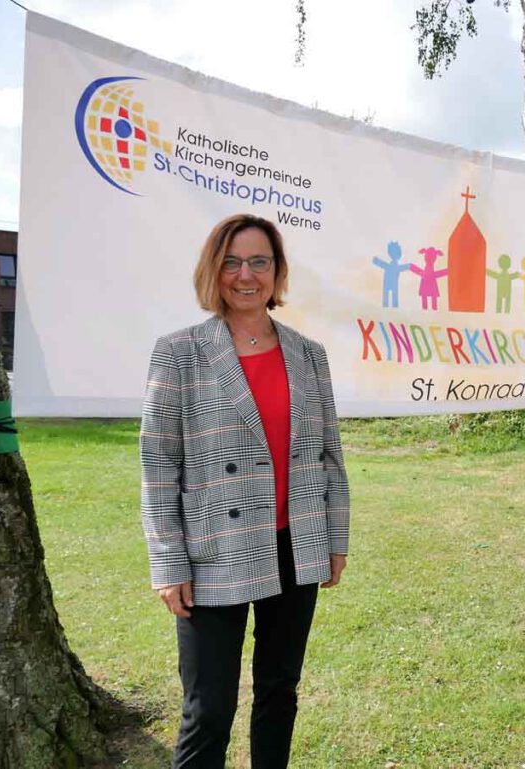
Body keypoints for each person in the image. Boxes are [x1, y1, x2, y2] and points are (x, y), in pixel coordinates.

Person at [140, 213, 350, 766]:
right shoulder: (179, 352)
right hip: (213, 552)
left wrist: (335, 537)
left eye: (259, 261)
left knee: (279, 693)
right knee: (207, 708)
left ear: (277, 272)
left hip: (293, 545)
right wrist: (167, 561)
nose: (245, 274)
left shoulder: (309, 355)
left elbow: (329, 455)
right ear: (215, 270)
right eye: (232, 261)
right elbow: (159, 462)